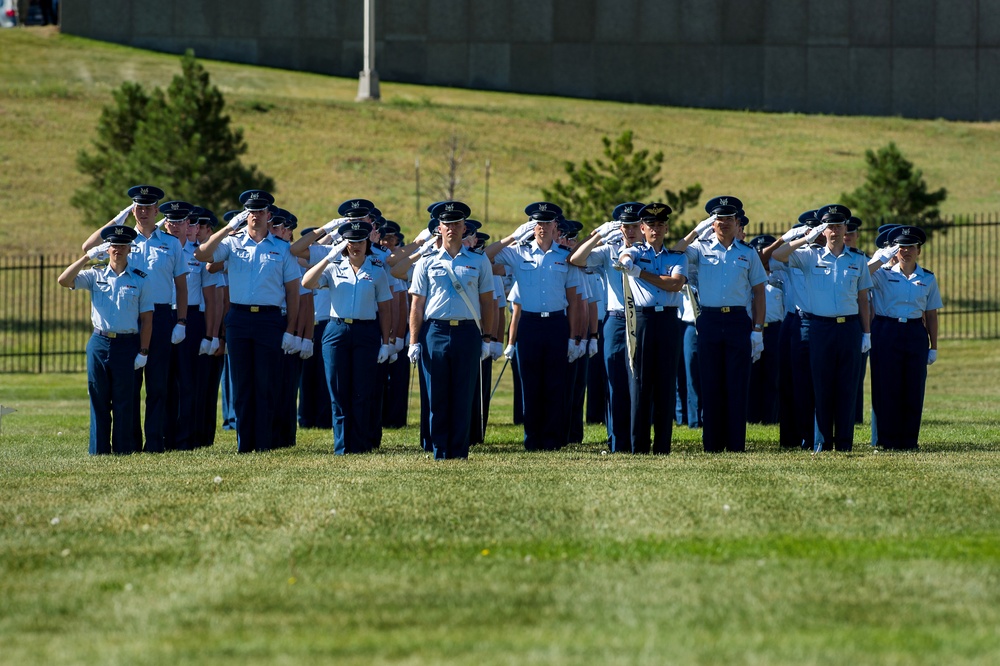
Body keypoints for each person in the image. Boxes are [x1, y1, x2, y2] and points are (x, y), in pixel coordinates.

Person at [82, 186, 189, 453]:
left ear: (156, 211)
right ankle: (127, 441)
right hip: (130, 318)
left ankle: (154, 442)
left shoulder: (171, 243)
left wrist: (182, 321)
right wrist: (119, 219)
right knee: (128, 386)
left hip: (161, 315)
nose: (142, 212)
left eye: (147, 207)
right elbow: (87, 247)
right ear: (133, 210)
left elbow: (181, 284)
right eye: (137, 207)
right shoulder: (122, 240)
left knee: (157, 383)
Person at [194, 190, 301, 453]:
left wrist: (290, 330)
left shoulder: (281, 249)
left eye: (259, 211)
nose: (255, 216)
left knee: (265, 384)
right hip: (239, 319)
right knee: (242, 385)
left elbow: (293, 293)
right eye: (250, 212)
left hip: (269, 319)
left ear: (268, 215)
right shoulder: (232, 243)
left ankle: (263, 443)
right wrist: (228, 228)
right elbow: (202, 255)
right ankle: (245, 444)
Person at [771, 204, 873, 452]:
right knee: (821, 386)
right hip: (820, 327)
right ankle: (822, 441)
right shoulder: (809, 256)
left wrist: (867, 332)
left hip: (849, 327)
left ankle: (845, 443)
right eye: (830, 227)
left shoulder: (857, 260)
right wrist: (805, 237)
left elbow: (862, 297)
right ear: (823, 230)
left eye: (839, 226)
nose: (835, 231)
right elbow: (778, 255)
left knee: (847, 387)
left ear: (845, 228)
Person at [673, 196, 767, 453]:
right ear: (712, 223)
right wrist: (696, 231)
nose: (723, 223)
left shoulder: (748, 253)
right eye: (718, 219)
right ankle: (712, 444)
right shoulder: (700, 249)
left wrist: (757, 331)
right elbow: (676, 251)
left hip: (738, 320)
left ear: (738, 223)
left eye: (729, 219)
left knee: (737, 384)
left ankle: (736, 444)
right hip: (710, 320)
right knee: (711, 383)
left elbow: (759, 292)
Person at [486, 203, 583, 451]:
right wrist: (512, 237)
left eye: (546, 223)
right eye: (537, 223)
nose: (541, 228)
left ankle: (551, 439)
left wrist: (574, 337)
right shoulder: (518, 252)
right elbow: (485, 257)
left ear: (554, 227)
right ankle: (532, 439)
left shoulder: (564, 255)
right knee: (530, 384)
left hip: (556, 323)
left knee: (554, 383)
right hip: (528, 324)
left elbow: (573, 301)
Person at [409, 201, 494, 459]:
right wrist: (414, 341)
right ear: (439, 228)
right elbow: (417, 303)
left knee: (463, 394)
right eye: (447, 224)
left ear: (464, 227)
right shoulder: (426, 262)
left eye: (457, 224)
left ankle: (459, 450)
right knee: (437, 395)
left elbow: (488, 301)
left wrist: (487, 338)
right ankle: (440, 449)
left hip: (467, 332)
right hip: (434, 331)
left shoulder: (479, 261)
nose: (452, 228)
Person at [58, 225, 153, 455]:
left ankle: (123, 449)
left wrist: (143, 351)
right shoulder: (95, 274)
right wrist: (87, 257)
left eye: (122, 245)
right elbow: (63, 280)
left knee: (124, 400)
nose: (117, 249)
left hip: (127, 343)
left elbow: (147, 319)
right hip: (99, 343)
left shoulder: (140, 279)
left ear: (130, 248)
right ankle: (99, 450)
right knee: (99, 398)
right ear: (107, 249)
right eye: (113, 245)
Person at [302, 219, 393, 454]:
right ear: (345, 244)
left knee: (362, 391)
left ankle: (361, 445)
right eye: (351, 242)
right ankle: (342, 446)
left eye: (360, 241)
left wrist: (386, 342)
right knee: (338, 391)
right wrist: (327, 258)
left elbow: (385, 308)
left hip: (366, 331)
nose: (356, 246)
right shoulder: (334, 267)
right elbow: (307, 282)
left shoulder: (377, 270)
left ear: (366, 242)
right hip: (336, 331)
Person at [570, 202, 645, 452]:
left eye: (635, 226)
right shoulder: (608, 249)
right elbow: (577, 259)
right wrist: (599, 234)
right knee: (614, 379)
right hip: (616, 319)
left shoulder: (649, 250)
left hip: (642, 317)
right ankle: (617, 441)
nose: (630, 231)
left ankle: (638, 439)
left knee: (640, 380)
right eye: (626, 226)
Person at [617, 202, 687, 454]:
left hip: (668, 320)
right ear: (642, 228)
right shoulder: (636, 252)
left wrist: (640, 273)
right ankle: (639, 446)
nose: (655, 230)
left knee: (665, 383)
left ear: (666, 228)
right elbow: (625, 257)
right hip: (643, 320)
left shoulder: (677, 256)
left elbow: (675, 284)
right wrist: (629, 263)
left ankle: (662, 446)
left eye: (660, 225)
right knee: (640, 382)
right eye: (650, 226)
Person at [867, 225, 941, 450]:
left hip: (914, 332)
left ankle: (909, 440)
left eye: (910, 247)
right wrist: (881, 258)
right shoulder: (883, 274)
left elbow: (931, 313)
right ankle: (887, 440)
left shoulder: (927, 278)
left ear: (919, 250)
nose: (906, 251)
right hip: (886, 330)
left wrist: (933, 346)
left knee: (913, 387)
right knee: (887, 385)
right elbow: (861, 274)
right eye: (901, 247)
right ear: (895, 250)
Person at [746, 234, 784, 424]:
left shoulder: (780, 277)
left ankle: (771, 417)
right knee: (752, 376)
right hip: (753, 329)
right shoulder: (749, 277)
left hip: (775, 330)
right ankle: (752, 417)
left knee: (773, 376)